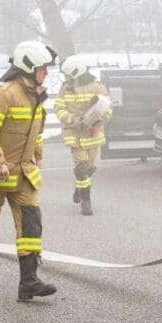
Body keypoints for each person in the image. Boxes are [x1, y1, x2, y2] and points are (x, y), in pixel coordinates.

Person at [0, 40, 58, 301]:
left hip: (25, 174)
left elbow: (35, 134)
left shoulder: (37, 97)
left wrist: (37, 157)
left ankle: (28, 281)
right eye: (42, 68)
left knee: (31, 222)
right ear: (28, 68)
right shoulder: (5, 93)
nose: (46, 73)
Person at [53, 56, 113, 215]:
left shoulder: (98, 87)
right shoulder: (65, 88)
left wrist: (100, 119)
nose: (66, 78)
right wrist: (72, 120)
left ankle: (79, 189)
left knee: (90, 168)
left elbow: (107, 108)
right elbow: (59, 108)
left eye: (68, 75)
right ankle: (86, 202)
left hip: (93, 134)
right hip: (74, 134)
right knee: (82, 168)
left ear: (75, 73)